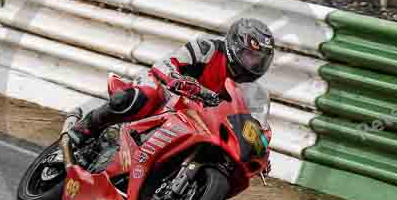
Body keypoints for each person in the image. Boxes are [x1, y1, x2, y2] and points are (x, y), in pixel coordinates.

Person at [65, 18, 275, 145]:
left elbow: (254, 127)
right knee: (146, 95)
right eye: (249, 55)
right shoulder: (207, 49)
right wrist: (180, 82)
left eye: (259, 60)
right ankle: (86, 127)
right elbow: (165, 65)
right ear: (235, 46)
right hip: (167, 94)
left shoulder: (252, 93)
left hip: (197, 123)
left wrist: (259, 146)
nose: (253, 64)